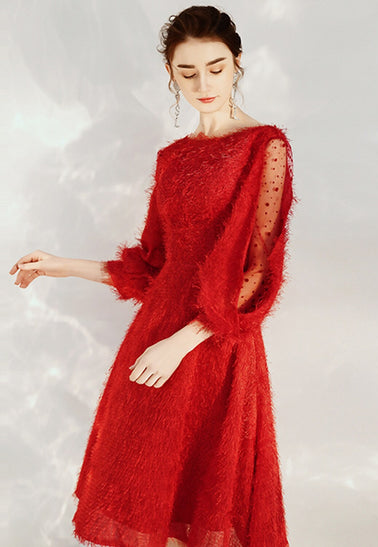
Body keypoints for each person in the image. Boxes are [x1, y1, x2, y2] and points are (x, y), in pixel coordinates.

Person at [9, 5, 296, 547]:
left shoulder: (265, 147)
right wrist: (60, 266)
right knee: (148, 506)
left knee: (206, 507)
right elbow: (153, 269)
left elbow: (258, 274)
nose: (203, 84)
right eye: (188, 72)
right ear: (170, 74)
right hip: (153, 340)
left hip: (211, 345)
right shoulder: (172, 158)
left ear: (237, 63)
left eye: (215, 68)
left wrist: (180, 344)